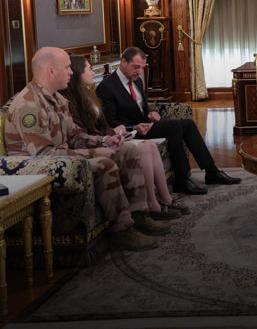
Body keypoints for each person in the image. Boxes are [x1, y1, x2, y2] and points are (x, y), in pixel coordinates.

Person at [4, 47, 168, 251]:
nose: (71, 72)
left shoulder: (58, 99)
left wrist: (105, 141)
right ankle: (121, 230)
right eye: (67, 68)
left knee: (127, 150)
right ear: (51, 71)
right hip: (36, 170)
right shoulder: (29, 105)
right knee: (105, 164)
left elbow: (75, 137)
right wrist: (94, 153)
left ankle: (139, 215)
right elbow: (44, 155)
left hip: (63, 160)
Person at [96, 47, 241, 195]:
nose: (139, 72)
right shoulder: (107, 87)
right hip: (130, 133)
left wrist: (150, 115)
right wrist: (134, 127)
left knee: (188, 124)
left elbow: (140, 109)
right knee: (175, 126)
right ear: (123, 62)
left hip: (145, 126)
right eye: (136, 67)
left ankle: (212, 171)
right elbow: (110, 123)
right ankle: (182, 179)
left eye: (142, 68)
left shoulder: (137, 81)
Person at [62, 55, 189, 220]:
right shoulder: (70, 101)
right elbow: (85, 135)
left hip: (108, 138)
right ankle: (152, 205)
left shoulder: (88, 95)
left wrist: (117, 133)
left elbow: (104, 125)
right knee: (145, 147)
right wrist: (112, 135)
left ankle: (166, 199)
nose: (93, 73)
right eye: (89, 69)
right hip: (95, 145)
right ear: (78, 73)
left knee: (151, 145)